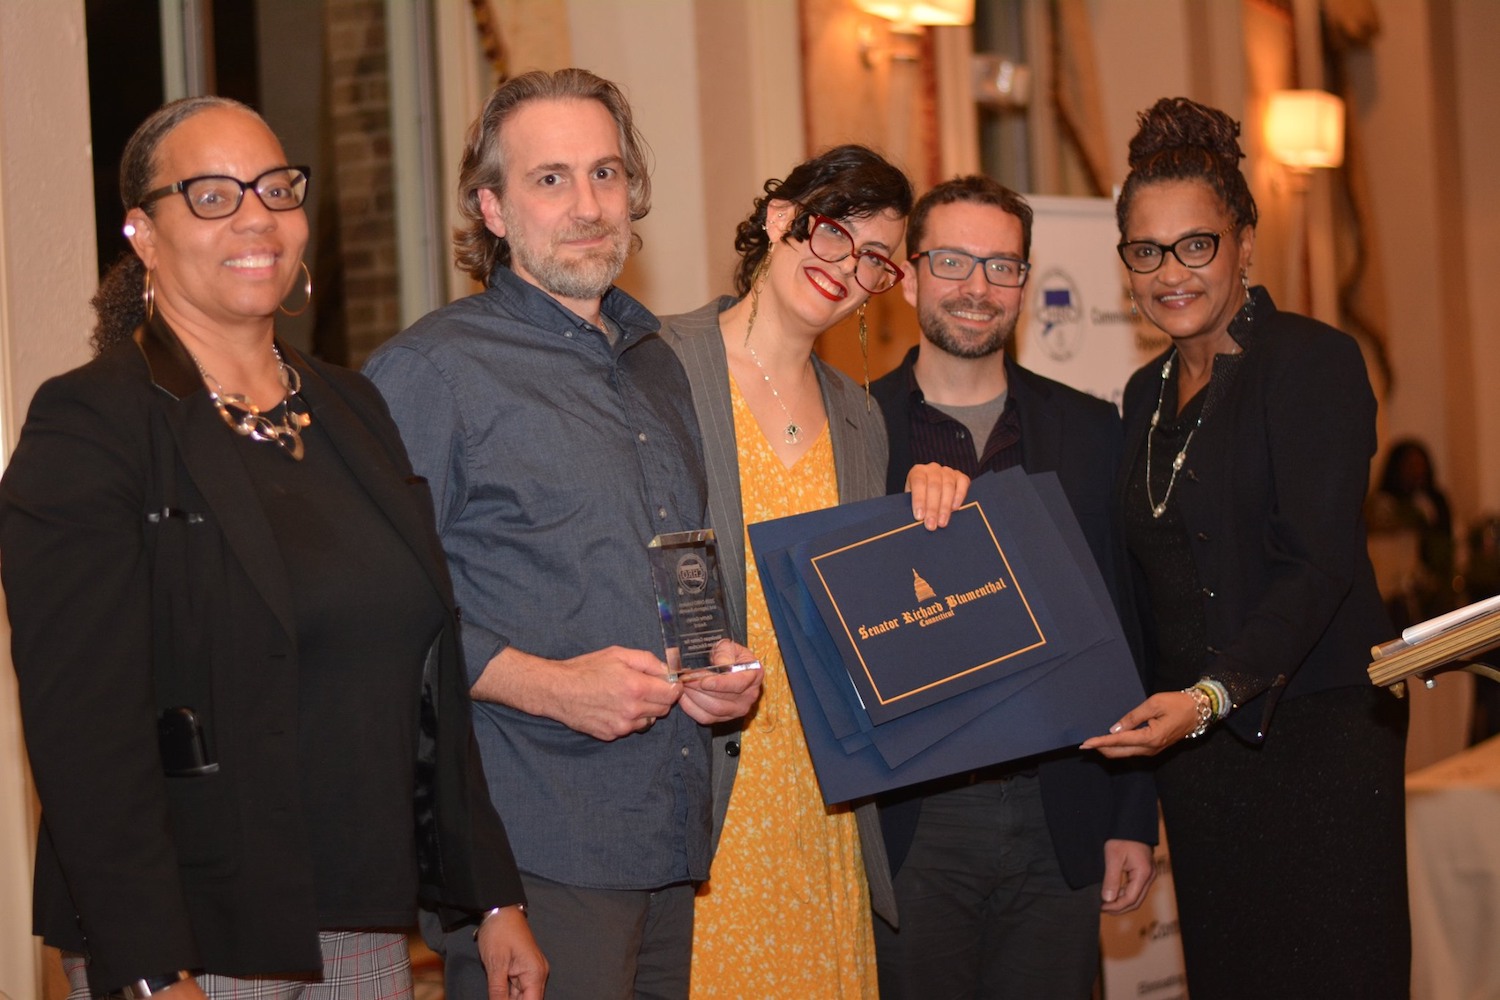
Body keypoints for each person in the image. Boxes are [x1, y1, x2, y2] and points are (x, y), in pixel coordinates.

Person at [0, 97, 544, 1000]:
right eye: (211, 194)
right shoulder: (91, 423)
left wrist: (491, 899)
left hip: (365, 917)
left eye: (275, 189)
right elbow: (83, 733)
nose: (256, 216)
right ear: (142, 232)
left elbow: (428, 677)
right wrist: (148, 972)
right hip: (197, 934)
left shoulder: (354, 409)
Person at [362, 69, 763, 1000]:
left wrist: (713, 666)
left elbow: (666, 563)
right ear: (492, 208)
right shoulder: (431, 371)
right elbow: (380, 614)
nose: (588, 206)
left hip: (665, 834)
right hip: (531, 850)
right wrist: (546, 684)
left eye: (607, 174)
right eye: (551, 180)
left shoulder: (657, 363)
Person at [1080, 97, 1409, 998]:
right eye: (1146, 251)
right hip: (1201, 761)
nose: (1171, 272)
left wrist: (1212, 693)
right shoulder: (1141, 395)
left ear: (1245, 243)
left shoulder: (1312, 361)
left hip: (1318, 741)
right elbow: (1146, 594)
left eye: (1198, 244)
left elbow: (1319, 565)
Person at [659, 144, 968, 1000]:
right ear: (778, 219)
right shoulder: (661, 365)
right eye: (832, 232)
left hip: (823, 791)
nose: (846, 268)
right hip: (709, 776)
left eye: (875, 258)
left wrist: (921, 517)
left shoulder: (860, 417)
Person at [869, 175, 1156, 1000]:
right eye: (953, 260)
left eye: (1002, 265)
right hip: (913, 825)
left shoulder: (1093, 432)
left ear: (1026, 283)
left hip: (1061, 811)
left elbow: (1126, 626)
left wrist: (1131, 814)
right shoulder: (855, 429)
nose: (977, 287)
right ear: (911, 274)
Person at [1368, 437, 1457, 626]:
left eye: (1420, 464)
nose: (1416, 471)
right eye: (1410, 465)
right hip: (1396, 585)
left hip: (1433, 581)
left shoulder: (1434, 500)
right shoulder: (1384, 504)